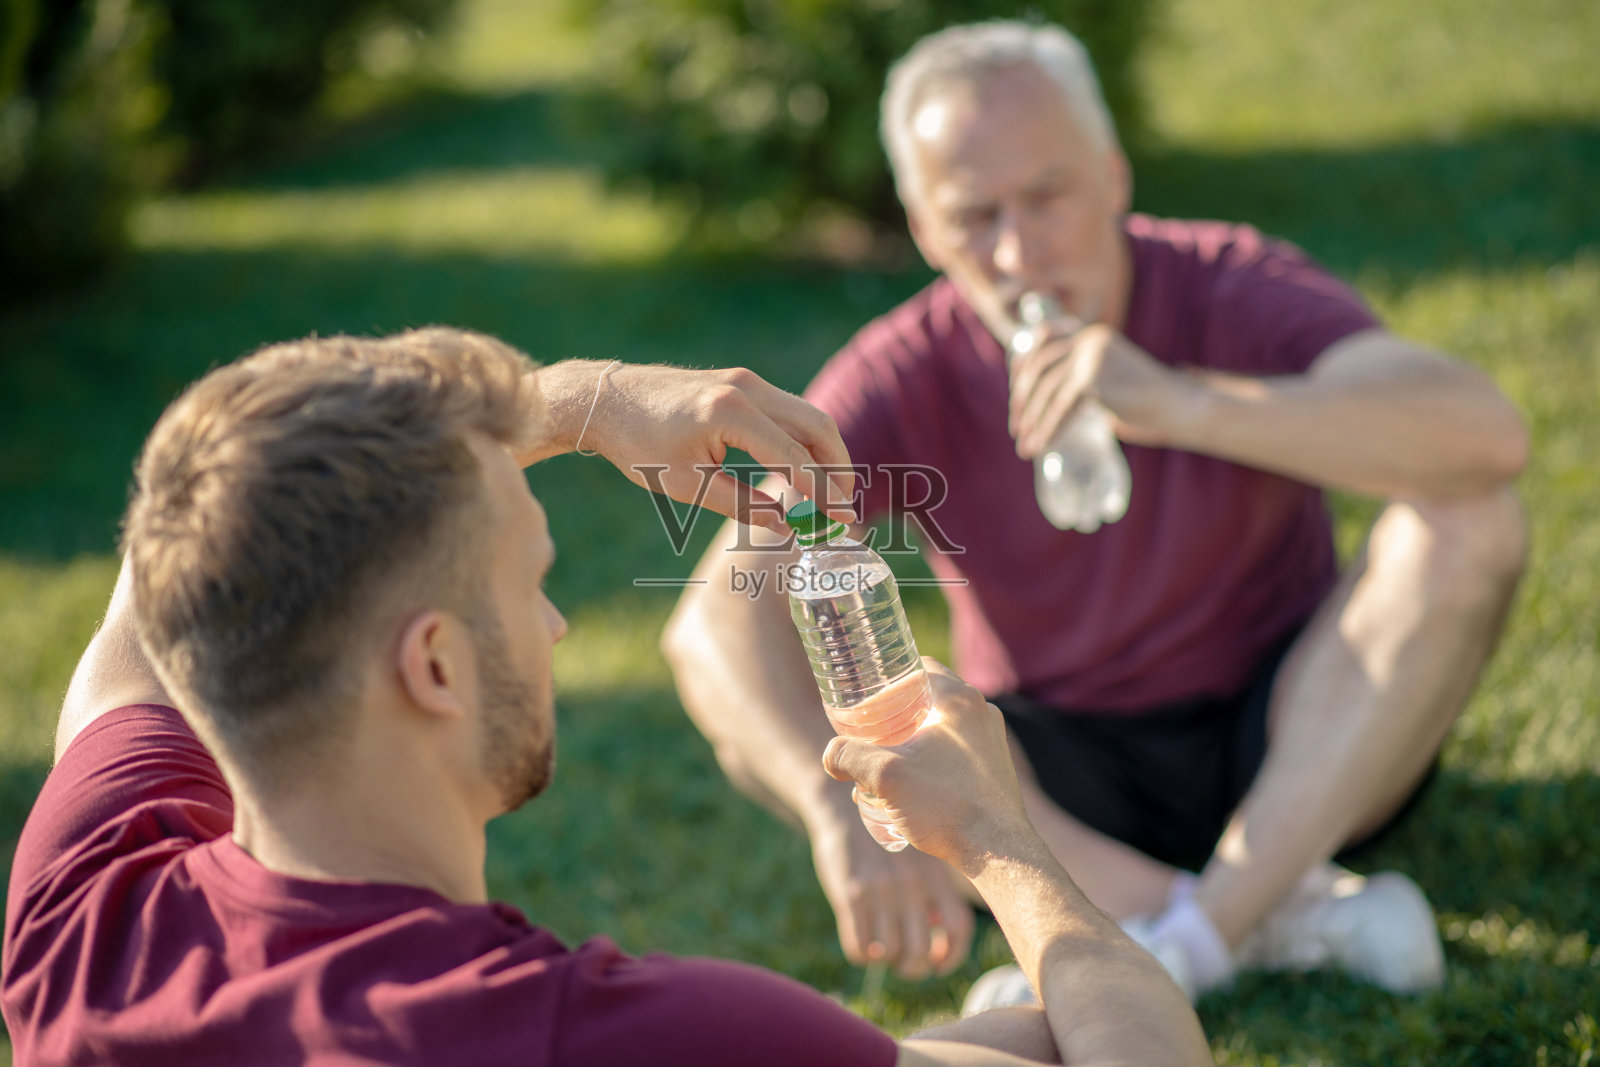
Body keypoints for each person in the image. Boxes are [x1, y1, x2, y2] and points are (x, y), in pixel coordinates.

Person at [0, 328, 1209, 1066]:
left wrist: (579, 403)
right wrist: (998, 840)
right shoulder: (604, 1035)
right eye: (532, 582)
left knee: (1019, 1035)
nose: (560, 622)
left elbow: (198, 522)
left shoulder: (86, 908)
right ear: (434, 666)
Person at [662, 20, 1529, 1002]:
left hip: (1296, 728)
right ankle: (1265, 914)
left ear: (1113, 176)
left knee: (1468, 522)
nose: (1019, 250)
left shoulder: (1224, 281)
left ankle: (1173, 942)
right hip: (1061, 778)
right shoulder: (900, 371)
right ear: (922, 226)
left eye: (1046, 195)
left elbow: (1486, 436)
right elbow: (707, 626)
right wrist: (834, 809)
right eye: (974, 215)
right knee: (889, 706)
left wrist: (1181, 401)